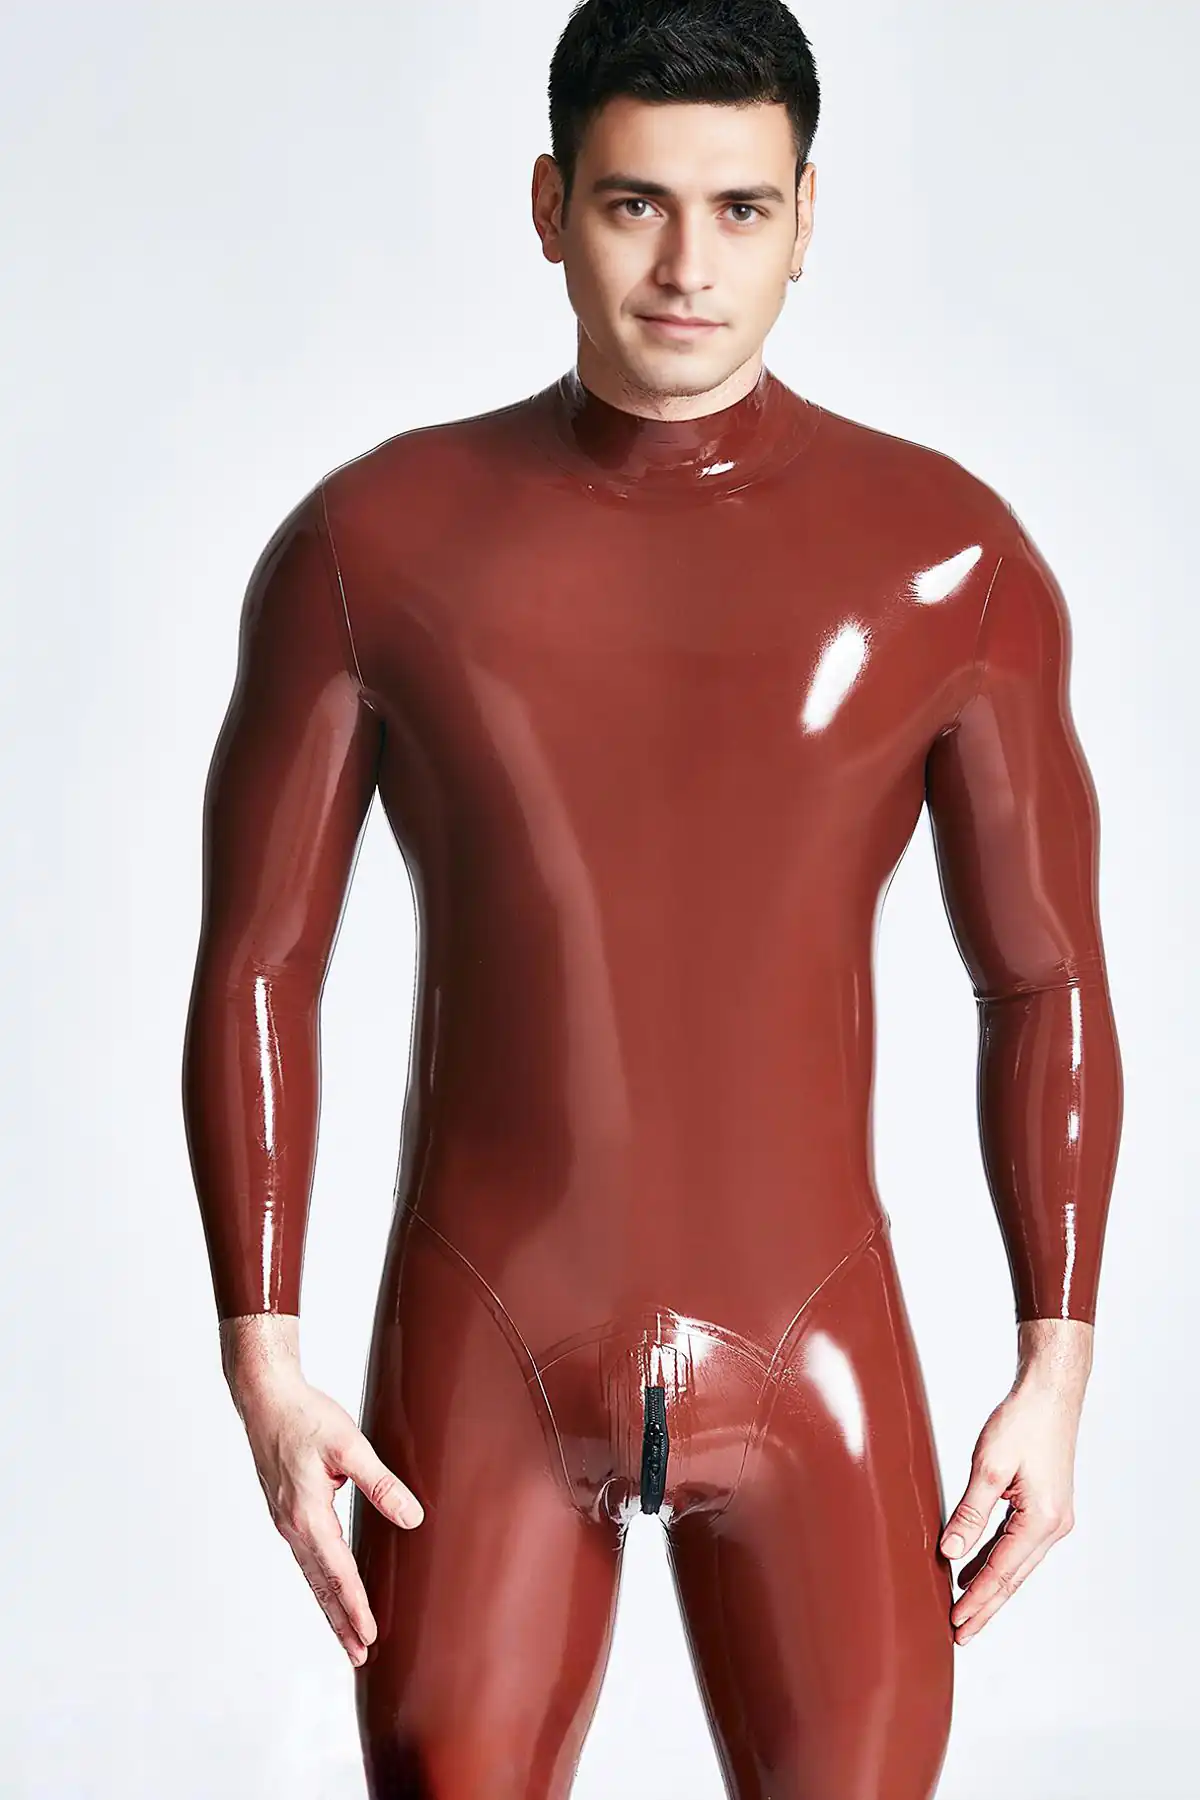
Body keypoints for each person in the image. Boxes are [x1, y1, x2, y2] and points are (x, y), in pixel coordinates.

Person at [181, 2, 1124, 1794]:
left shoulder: (950, 562)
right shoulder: (374, 548)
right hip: (483, 1348)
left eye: (741, 208)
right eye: (635, 204)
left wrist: (1054, 1369)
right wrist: (266, 1365)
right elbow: (259, 968)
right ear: (549, 204)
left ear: (807, 215)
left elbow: (1045, 983)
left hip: (819, 1349)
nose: (690, 266)